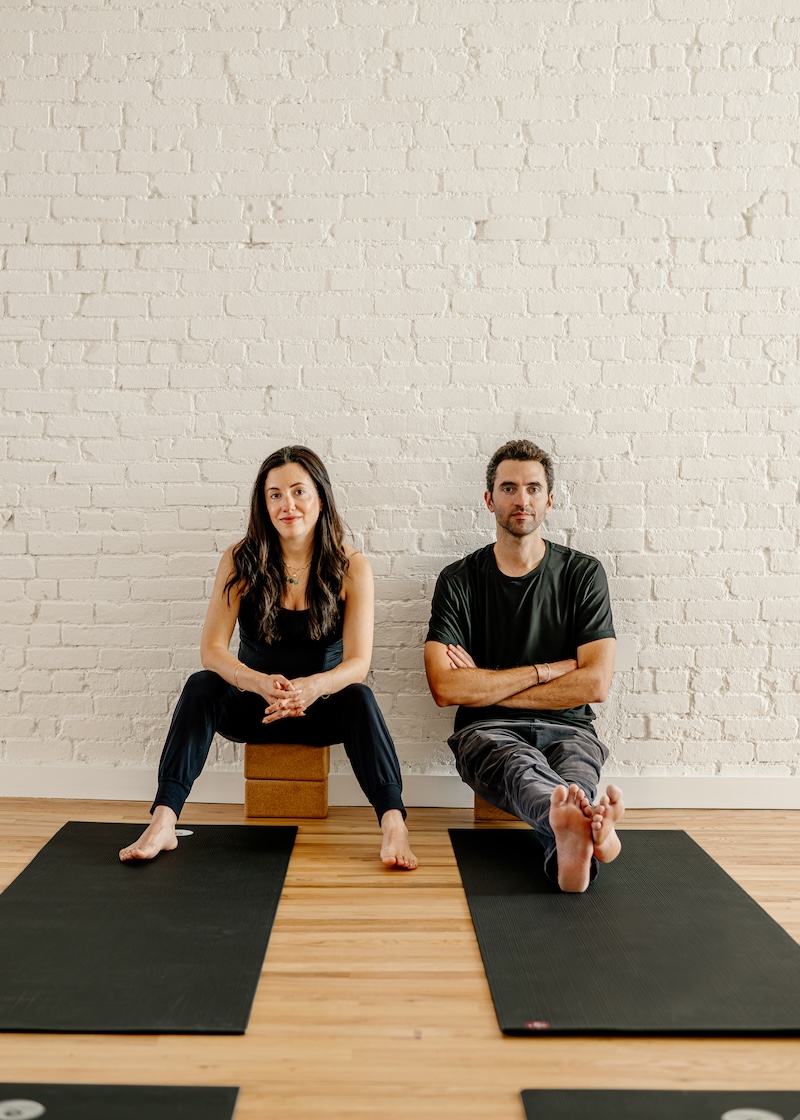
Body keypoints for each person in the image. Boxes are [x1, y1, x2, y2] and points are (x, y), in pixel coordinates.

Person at [120, 445, 417, 870]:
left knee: (360, 696)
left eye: (298, 492)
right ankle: (164, 821)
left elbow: (357, 662)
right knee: (201, 685)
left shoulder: (352, 567)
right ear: (263, 503)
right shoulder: (240, 560)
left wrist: (314, 686)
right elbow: (212, 650)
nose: (287, 504)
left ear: (321, 498)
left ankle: (393, 825)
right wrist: (257, 682)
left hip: (318, 709)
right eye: (274, 494)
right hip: (253, 708)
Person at [424, 439, 622, 892]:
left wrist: (487, 683)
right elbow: (444, 688)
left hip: (571, 729)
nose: (522, 499)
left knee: (573, 776)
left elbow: (594, 682)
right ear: (490, 499)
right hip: (487, 732)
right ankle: (590, 829)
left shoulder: (583, 575)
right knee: (521, 767)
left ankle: (572, 841)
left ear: (549, 500)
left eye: (533, 488)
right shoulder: (459, 581)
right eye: (509, 488)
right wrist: (547, 670)